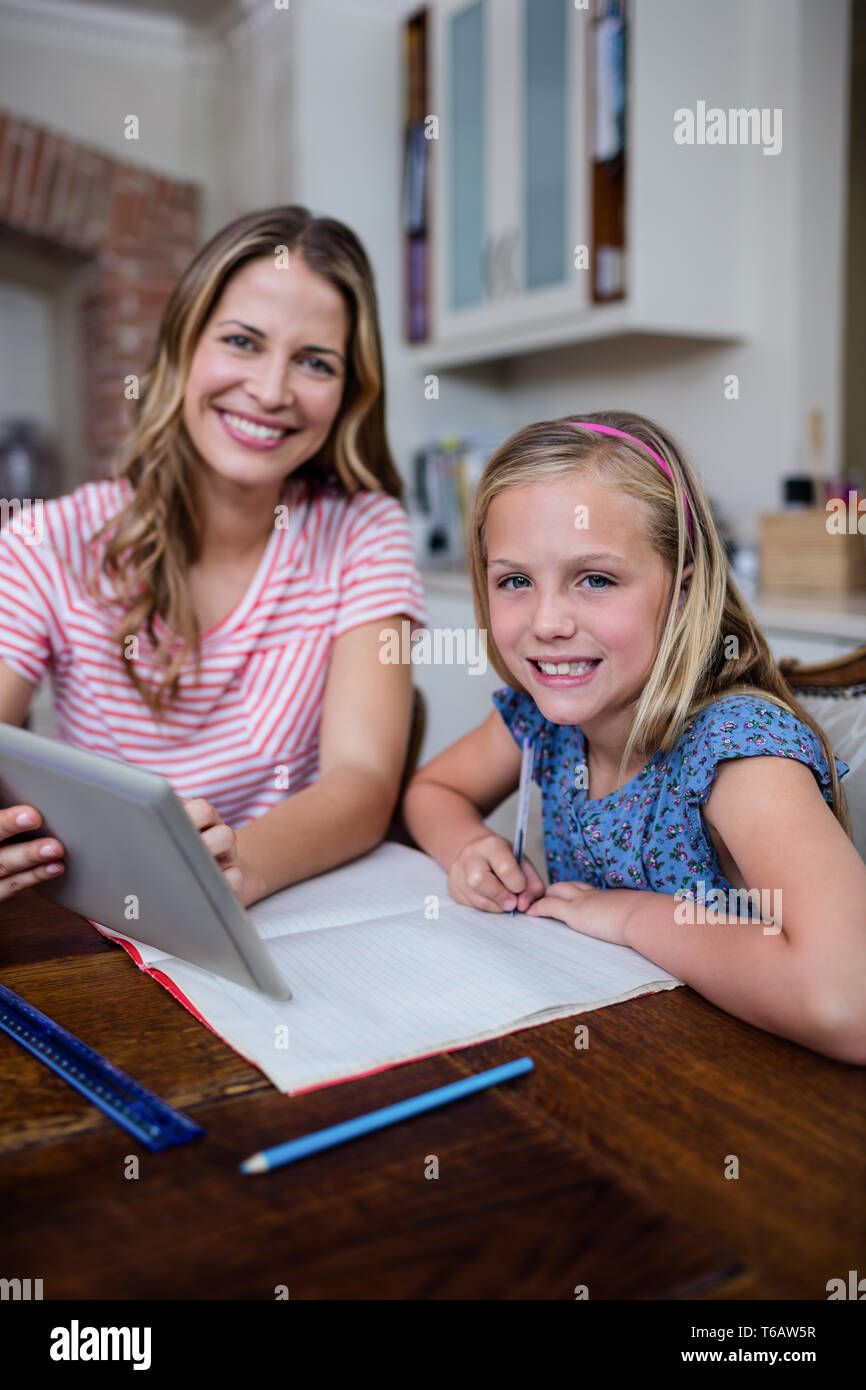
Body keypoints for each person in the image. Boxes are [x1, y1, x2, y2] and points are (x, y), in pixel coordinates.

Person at [403, 411, 866, 1063]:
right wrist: (468, 848)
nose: (547, 622)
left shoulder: (736, 752)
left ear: (680, 589)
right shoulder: (540, 719)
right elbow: (434, 788)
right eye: (515, 580)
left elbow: (848, 1000)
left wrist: (629, 917)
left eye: (595, 579)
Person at [0, 206, 426, 907]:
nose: (270, 390)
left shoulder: (363, 531)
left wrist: (227, 873)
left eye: (315, 361)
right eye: (242, 342)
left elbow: (362, 780)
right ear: (184, 348)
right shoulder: (50, 540)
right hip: (102, 921)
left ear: (348, 393)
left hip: (278, 906)